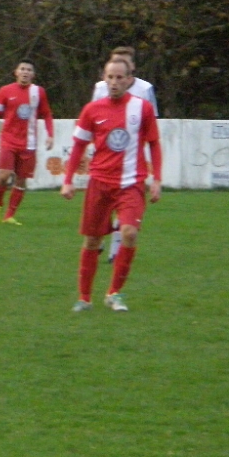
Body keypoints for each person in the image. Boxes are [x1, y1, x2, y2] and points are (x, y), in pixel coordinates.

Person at [61, 57, 162, 312]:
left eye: (119, 77)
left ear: (129, 80)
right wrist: (68, 180)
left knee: (129, 233)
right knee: (93, 241)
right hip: (100, 183)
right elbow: (78, 146)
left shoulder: (142, 108)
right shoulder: (92, 110)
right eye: (110, 77)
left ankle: (114, 293)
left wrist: (157, 179)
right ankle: (84, 297)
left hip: (131, 183)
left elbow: (154, 143)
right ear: (104, 79)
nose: (114, 82)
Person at [91, 46, 159, 262]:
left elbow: (152, 123)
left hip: (130, 160)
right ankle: (100, 237)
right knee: (103, 211)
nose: (115, 80)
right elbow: (92, 120)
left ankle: (115, 251)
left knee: (125, 212)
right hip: (105, 160)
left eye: (125, 62)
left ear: (132, 68)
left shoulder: (145, 89)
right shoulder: (100, 88)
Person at [0, 59, 54, 226]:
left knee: (21, 181)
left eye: (29, 70)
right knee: (4, 176)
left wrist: (50, 134)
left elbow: (46, 114)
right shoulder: (5, 91)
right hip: (9, 141)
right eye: (22, 69)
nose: (25, 72)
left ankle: (9, 215)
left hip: (29, 143)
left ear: (33, 74)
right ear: (16, 72)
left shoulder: (38, 92)